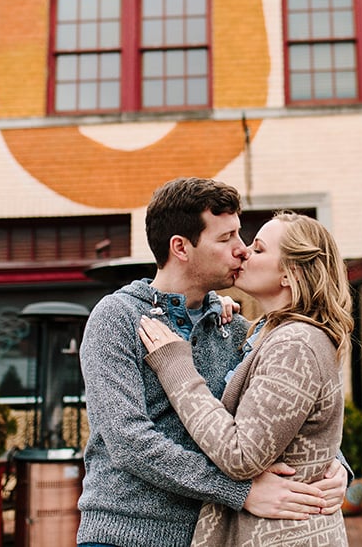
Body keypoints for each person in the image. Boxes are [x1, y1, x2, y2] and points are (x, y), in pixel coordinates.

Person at [77, 178, 348, 547]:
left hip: (212, 534)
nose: (241, 250)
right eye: (226, 239)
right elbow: (128, 442)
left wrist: (335, 466)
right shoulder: (118, 318)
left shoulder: (234, 328)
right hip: (128, 534)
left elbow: (279, 413)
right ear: (181, 247)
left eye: (242, 236)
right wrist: (240, 491)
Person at [139, 210, 354, 546]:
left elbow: (242, 455)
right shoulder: (268, 334)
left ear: (289, 273)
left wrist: (174, 367)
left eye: (258, 248)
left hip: (285, 535)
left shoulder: (296, 343)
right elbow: (289, 428)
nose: (243, 252)